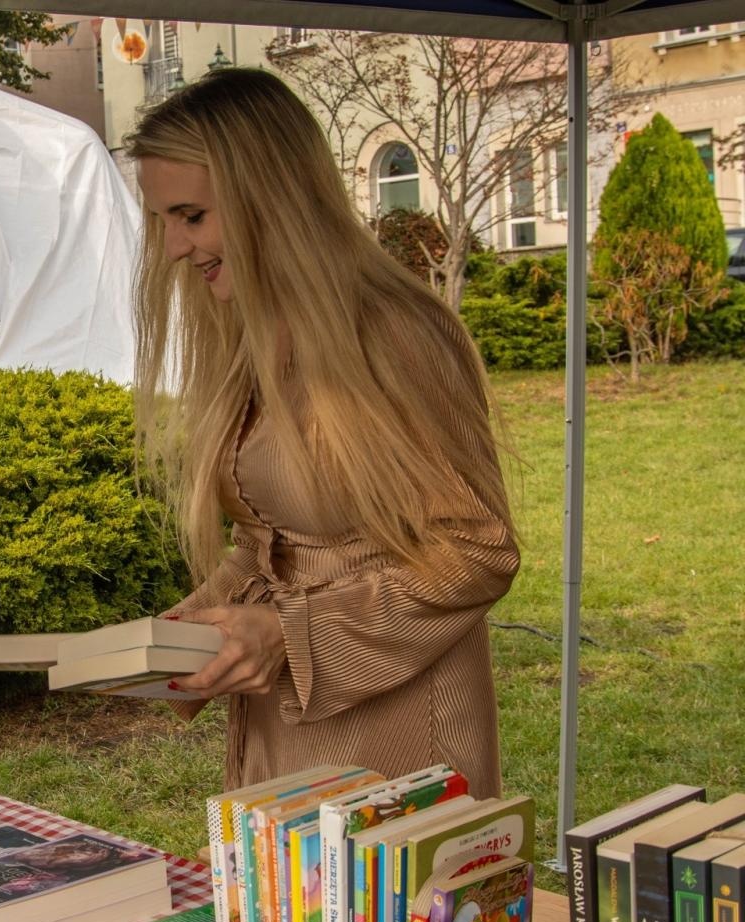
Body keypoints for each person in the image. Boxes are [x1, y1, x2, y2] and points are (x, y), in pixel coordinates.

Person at [123, 69, 519, 799]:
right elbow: (265, 538)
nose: (176, 247)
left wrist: (288, 634)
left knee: (373, 915)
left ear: (267, 196)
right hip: (287, 725)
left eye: (192, 215)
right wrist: (191, 630)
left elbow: (477, 550)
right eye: (163, 222)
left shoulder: (396, 336)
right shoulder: (251, 336)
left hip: (398, 739)